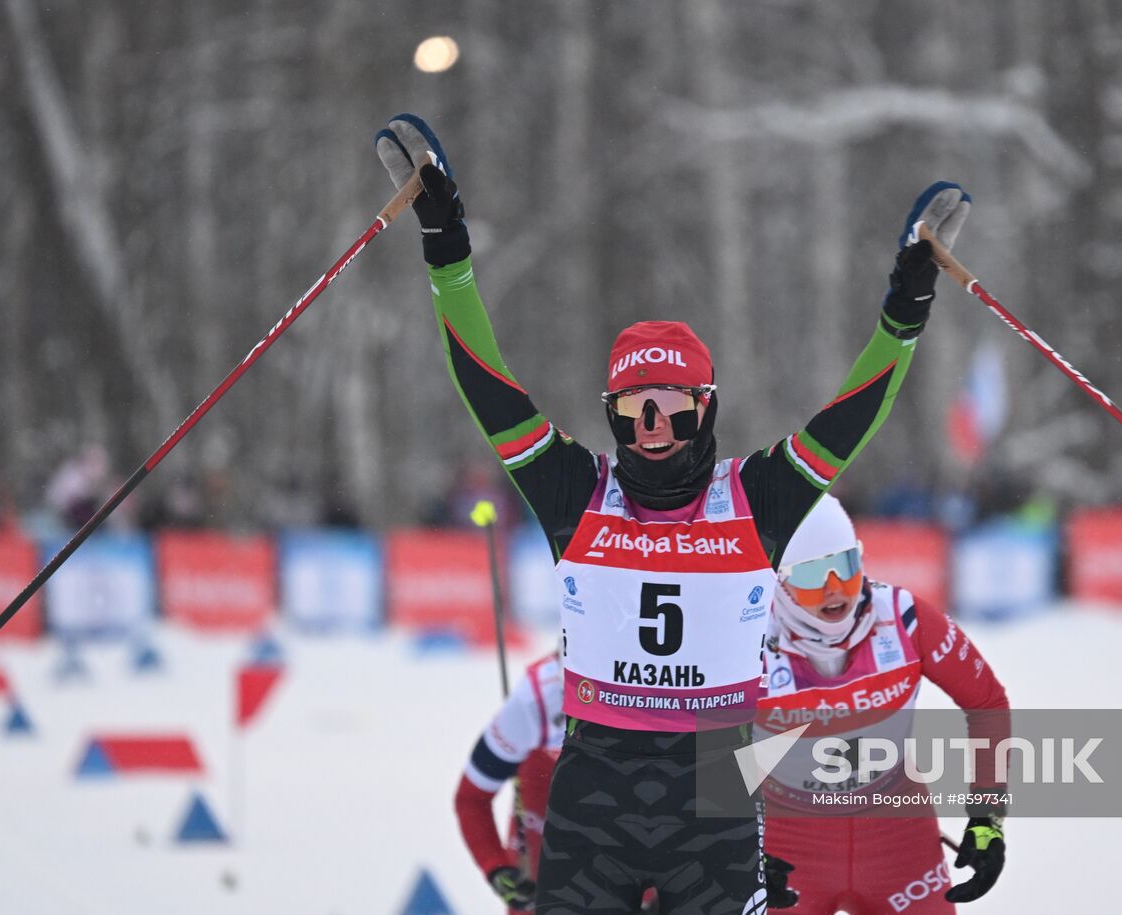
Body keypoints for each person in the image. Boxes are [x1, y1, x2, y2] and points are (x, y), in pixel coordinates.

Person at [376, 112, 971, 914]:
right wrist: (446, 249)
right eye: (633, 412)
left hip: (715, 806)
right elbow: (485, 384)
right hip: (595, 807)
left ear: (708, 408)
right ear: (612, 415)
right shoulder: (575, 491)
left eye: (675, 409)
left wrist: (906, 308)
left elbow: (851, 416)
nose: (654, 431)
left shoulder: (756, 498)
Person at [760, 495, 1010, 914]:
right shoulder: (747, 634)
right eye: (812, 572)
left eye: (846, 564)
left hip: (897, 837)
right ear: (778, 580)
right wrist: (736, 842)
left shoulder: (903, 617)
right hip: (788, 843)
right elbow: (699, 741)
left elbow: (986, 702)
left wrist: (987, 820)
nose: (835, 587)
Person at [454, 648, 565, 913]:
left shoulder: (667, 696)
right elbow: (471, 799)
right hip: (545, 807)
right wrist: (497, 868)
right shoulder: (535, 701)